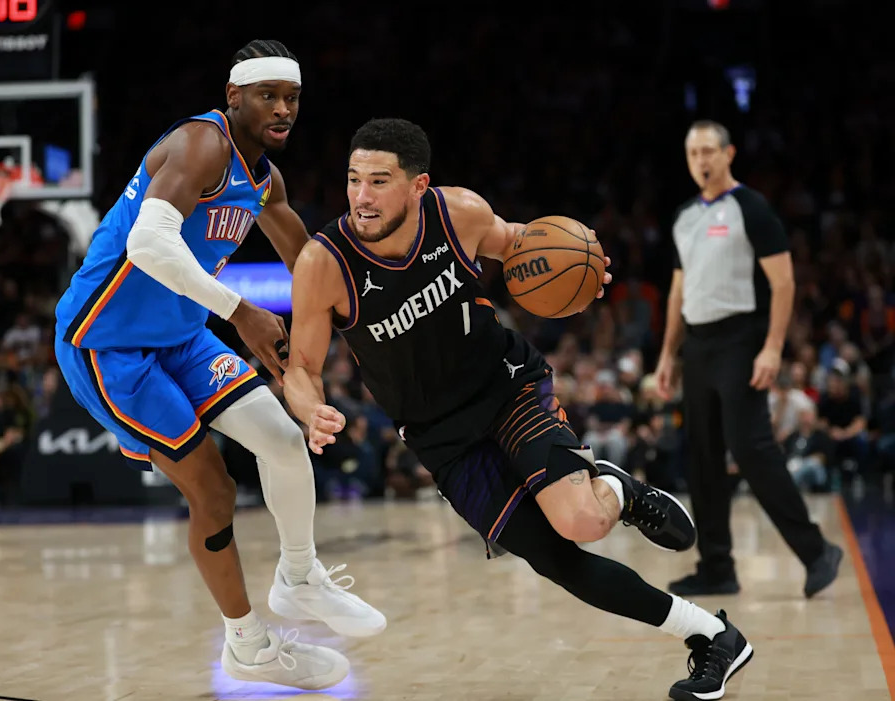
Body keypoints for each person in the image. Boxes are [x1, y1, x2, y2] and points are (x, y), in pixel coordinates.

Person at [283, 117, 754, 700]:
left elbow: (522, 242)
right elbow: (301, 367)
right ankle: (712, 635)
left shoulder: (458, 214)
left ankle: (618, 493)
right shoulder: (323, 263)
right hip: (441, 438)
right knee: (559, 560)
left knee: (580, 520)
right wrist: (309, 410)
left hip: (507, 387)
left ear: (418, 185)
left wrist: (584, 261)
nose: (361, 196)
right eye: (354, 179)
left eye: (379, 181)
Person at [53, 40, 385, 691]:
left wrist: (376, 329)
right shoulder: (200, 145)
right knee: (212, 487)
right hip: (107, 343)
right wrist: (239, 312)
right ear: (234, 97)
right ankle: (248, 645)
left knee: (284, 441)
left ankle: (298, 575)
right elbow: (150, 243)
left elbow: (311, 268)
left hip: (181, 333)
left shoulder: (265, 180)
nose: (283, 109)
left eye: (292, 98)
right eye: (268, 96)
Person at [654, 119, 842, 598]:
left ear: (729, 153)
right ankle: (717, 567)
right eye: (693, 152)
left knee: (752, 448)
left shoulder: (751, 208)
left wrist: (774, 347)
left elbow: (784, 282)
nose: (701, 160)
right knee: (702, 459)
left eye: (709, 151)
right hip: (696, 345)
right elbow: (678, 290)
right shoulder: (683, 216)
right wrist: (667, 354)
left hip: (741, 341)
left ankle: (817, 551)